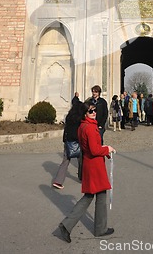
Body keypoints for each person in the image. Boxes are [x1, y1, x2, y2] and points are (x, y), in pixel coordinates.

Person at [58, 100, 116, 243]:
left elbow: (93, 147)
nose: (94, 113)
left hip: (90, 164)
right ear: (84, 113)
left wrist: (105, 151)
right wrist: (107, 149)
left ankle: (67, 225)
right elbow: (95, 149)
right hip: (95, 166)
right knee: (100, 195)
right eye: (90, 111)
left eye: (94, 110)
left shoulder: (83, 126)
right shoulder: (89, 128)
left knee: (89, 196)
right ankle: (99, 228)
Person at [52, 102, 84, 189]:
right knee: (82, 161)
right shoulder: (81, 118)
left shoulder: (69, 117)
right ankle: (83, 178)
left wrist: (64, 139)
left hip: (68, 141)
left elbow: (66, 129)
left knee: (65, 161)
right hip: (78, 141)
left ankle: (58, 181)